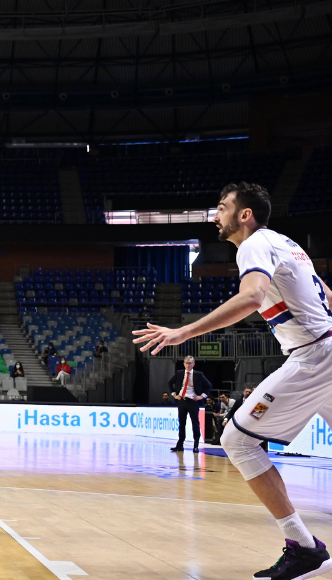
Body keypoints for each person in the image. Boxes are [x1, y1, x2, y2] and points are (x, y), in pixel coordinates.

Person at [134, 182, 332, 579]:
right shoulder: (288, 243)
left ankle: (303, 546)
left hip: (315, 354)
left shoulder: (255, 244)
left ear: (245, 215)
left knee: (237, 440)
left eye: (222, 208)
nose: (214, 215)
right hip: (327, 346)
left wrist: (183, 332)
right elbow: (327, 291)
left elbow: (251, 298)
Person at [166, 355, 212, 453]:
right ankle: (180, 445)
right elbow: (169, 383)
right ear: (184, 364)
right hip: (182, 400)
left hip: (193, 401)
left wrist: (202, 396)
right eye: (186, 363)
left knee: (195, 423)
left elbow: (209, 385)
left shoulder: (198, 374)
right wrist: (174, 394)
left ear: (193, 364)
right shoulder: (179, 373)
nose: (188, 365)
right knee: (182, 423)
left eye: (190, 363)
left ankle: (196, 445)